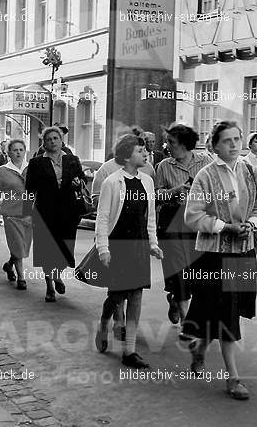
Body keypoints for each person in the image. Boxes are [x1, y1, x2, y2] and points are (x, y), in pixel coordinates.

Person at [184, 121, 257, 400]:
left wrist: (252, 224)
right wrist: (224, 227)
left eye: (237, 139)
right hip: (214, 255)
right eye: (227, 140)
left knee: (224, 313)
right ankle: (233, 378)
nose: (234, 144)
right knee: (227, 316)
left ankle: (199, 349)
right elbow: (193, 216)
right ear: (214, 145)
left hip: (243, 253)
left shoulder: (252, 172)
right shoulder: (205, 176)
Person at [94, 135, 162, 368]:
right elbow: (102, 219)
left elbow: (149, 216)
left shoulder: (147, 181)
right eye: (140, 151)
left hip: (139, 245)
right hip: (118, 245)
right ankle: (104, 323)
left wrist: (153, 244)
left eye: (145, 150)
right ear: (126, 155)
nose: (145, 154)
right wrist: (103, 249)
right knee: (116, 296)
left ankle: (129, 351)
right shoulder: (112, 182)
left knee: (136, 296)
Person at [155, 124, 211, 336]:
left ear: (186, 145)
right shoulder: (164, 166)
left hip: (198, 222)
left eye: (172, 142)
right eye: (167, 142)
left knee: (197, 271)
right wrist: (174, 191)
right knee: (178, 271)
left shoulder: (205, 162)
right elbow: (157, 195)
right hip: (172, 224)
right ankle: (187, 322)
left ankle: (175, 300)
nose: (167, 146)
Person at [25, 126, 85, 302]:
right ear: (44, 143)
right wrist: (27, 213)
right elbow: (30, 190)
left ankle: (57, 274)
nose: (52, 141)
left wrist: (78, 180)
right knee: (46, 249)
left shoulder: (72, 160)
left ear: (61, 141)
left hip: (68, 212)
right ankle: (49, 286)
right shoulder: (36, 163)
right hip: (45, 211)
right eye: (49, 139)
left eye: (55, 138)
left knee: (64, 248)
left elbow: (81, 179)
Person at [0, 139, 32, 290]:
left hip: (29, 213)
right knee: (18, 245)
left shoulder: (32, 168)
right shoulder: (3, 170)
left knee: (24, 246)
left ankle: (9, 265)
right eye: (15, 150)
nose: (18, 152)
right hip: (11, 213)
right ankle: (21, 278)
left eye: (21, 149)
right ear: (9, 153)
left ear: (25, 151)